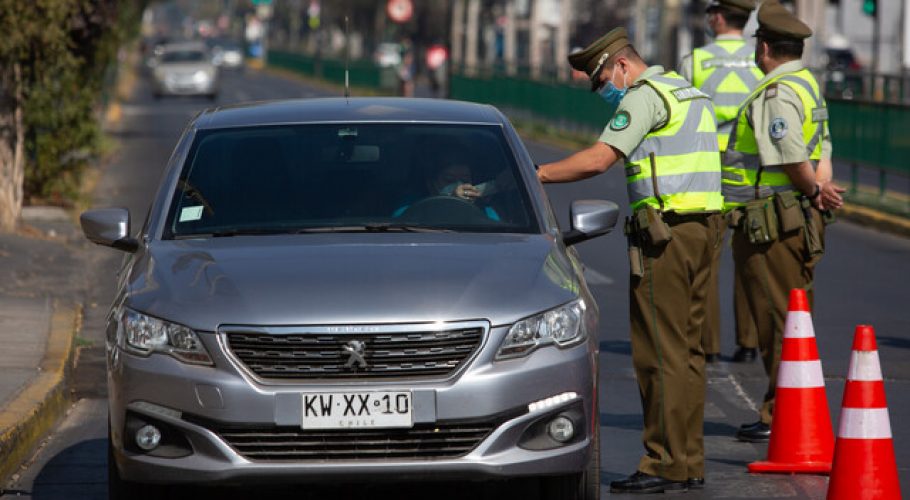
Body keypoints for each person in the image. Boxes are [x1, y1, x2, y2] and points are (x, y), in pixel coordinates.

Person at [537, 28, 723, 494]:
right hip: (705, 230)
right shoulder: (688, 91)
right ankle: (688, 459)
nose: (604, 91)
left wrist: (535, 172)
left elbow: (599, 160)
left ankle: (662, 462)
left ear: (621, 65)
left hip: (666, 236)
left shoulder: (642, 98)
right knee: (689, 352)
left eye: (602, 81)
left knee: (658, 352)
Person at [721, 0, 844, 442]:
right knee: (794, 315)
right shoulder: (807, 84)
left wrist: (812, 190)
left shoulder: (776, 93)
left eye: (759, 44)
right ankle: (790, 406)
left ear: (765, 47)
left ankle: (780, 412)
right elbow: (822, 146)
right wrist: (818, 195)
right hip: (797, 212)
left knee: (777, 319)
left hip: (771, 219)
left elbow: (791, 155)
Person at [679, 0, 764, 364]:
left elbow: (680, 117)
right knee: (749, 257)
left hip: (707, 171)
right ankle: (748, 341)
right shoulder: (762, 59)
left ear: (716, 17)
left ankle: (707, 343)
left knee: (706, 260)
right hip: (749, 169)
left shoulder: (695, 61)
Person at [393, 158, 500, 221]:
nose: (459, 185)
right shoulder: (410, 209)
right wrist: (449, 201)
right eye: (449, 180)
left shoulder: (484, 210)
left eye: (464, 179)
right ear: (430, 183)